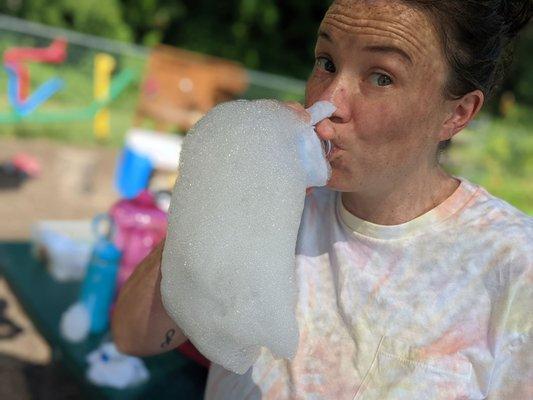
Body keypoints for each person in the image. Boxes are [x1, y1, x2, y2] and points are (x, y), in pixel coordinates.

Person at [112, 0, 533, 398]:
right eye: (326, 62)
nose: (329, 100)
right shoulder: (275, 198)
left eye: (381, 76)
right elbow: (135, 336)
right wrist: (226, 193)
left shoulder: (511, 264)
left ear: (456, 114)